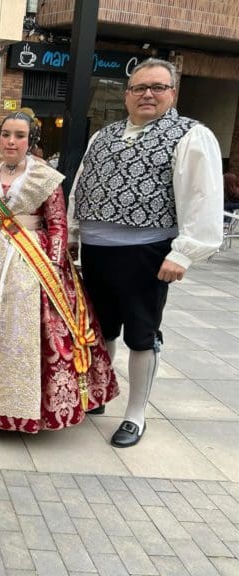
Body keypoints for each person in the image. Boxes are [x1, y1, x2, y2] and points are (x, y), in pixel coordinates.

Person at [69, 58, 223, 447]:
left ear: (173, 93)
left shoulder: (191, 135)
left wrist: (184, 253)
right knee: (100, 329)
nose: (147, 94)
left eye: (157, 87)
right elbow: (82, 185)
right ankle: (100, 394)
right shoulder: (103, 135)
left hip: (147, 252)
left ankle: (135, 415)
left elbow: (202, 196)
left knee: (141, 335)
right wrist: (72, 233)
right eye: (139, 88)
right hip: (97, 251)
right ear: (127, 95)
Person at [0, 111, 118, 432]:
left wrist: (54, 264)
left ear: (30, 140)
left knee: (18, 332)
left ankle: (17, 405)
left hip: (28, 261)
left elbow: (57, 224)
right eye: (6, 134)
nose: (11, 141)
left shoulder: (45, 178)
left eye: (19, 136)